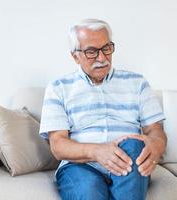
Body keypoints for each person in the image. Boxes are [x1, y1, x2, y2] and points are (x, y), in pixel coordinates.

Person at [39, 19, 167, 200]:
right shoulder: (58, 88)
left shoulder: (138, 83)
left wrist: (155, 146)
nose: (102, 58)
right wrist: (97, 151)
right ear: (75, 56)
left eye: (106, 48)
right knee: (89, 192)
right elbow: (58, 145)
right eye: (92, 52)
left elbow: (155, 130)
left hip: (129, 159)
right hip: (80, 166)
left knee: (134, 144)